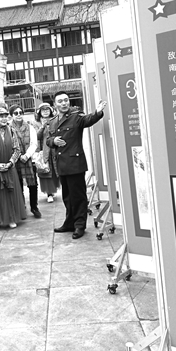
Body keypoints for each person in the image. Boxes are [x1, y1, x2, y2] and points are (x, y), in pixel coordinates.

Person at [47, 92, 106, 240]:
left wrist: (98, 112)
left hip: (75, 164)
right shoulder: (52, 121)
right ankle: (69, 223)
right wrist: (53, 141)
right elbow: (48, 139)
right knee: (67, 197)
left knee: (78, 197)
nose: (64, 103)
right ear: (55, 104)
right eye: (60, 101)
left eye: (66, 100)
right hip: (61, 165)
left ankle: (80, 225)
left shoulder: (76, 117)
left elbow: (88, 120)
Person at [9, 104, 41, 218]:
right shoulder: (8, 128)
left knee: (33, 184)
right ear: (11, 115)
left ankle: (34, 207)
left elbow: (34, 143)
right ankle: (21, 207)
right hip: (14, 160)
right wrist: (17, 156)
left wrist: (27, 155)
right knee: (18, 185)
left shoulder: (30, 127)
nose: (18, 115)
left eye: (20, 113)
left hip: (28, 159)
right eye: (15, 113)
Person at [34, 103, 60, 203]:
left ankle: (55, 190)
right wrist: (42, 126)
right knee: (46, 171)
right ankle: (49, 193)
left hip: (55, 149)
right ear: (39, 112)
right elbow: (37, 136)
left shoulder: (55, 120)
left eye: (47, 110)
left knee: (56, 171)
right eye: (43, 110)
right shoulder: (35, 123)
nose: (45, 112)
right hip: (44, 151)